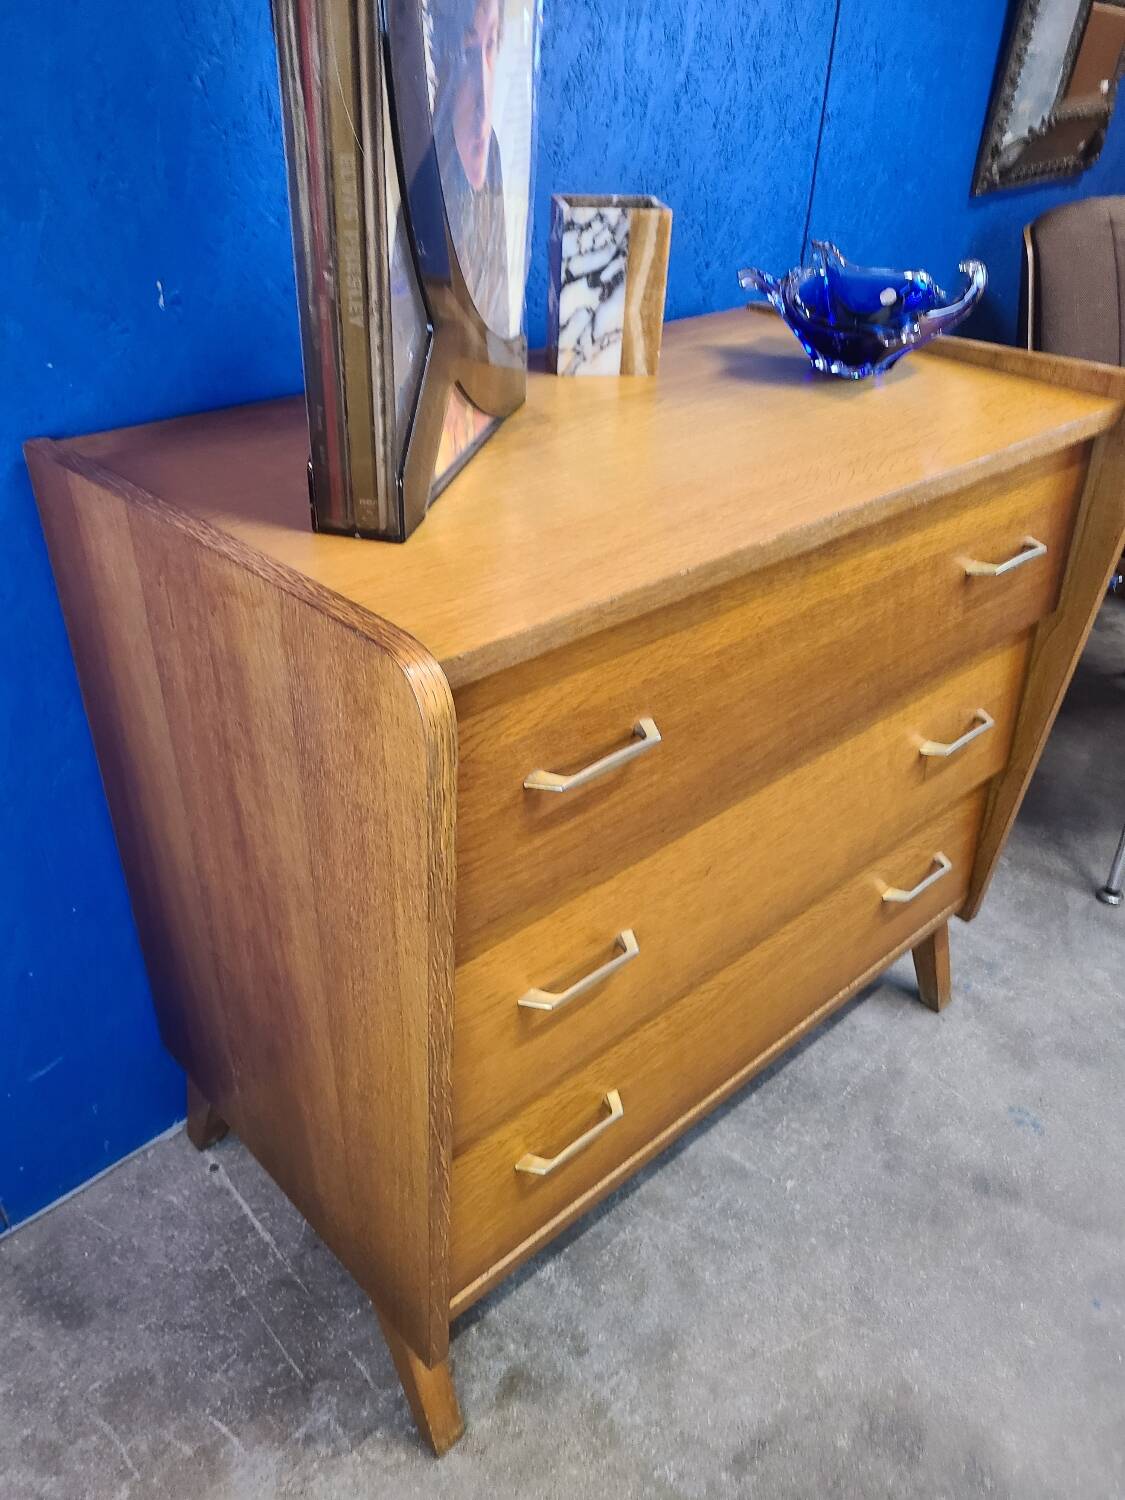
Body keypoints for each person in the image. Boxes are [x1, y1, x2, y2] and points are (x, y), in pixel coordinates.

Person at [430, 0, 510, 334]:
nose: (483, 98)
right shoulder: (425, 169)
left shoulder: (493, 158)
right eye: (465, 51)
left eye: (491, 44)